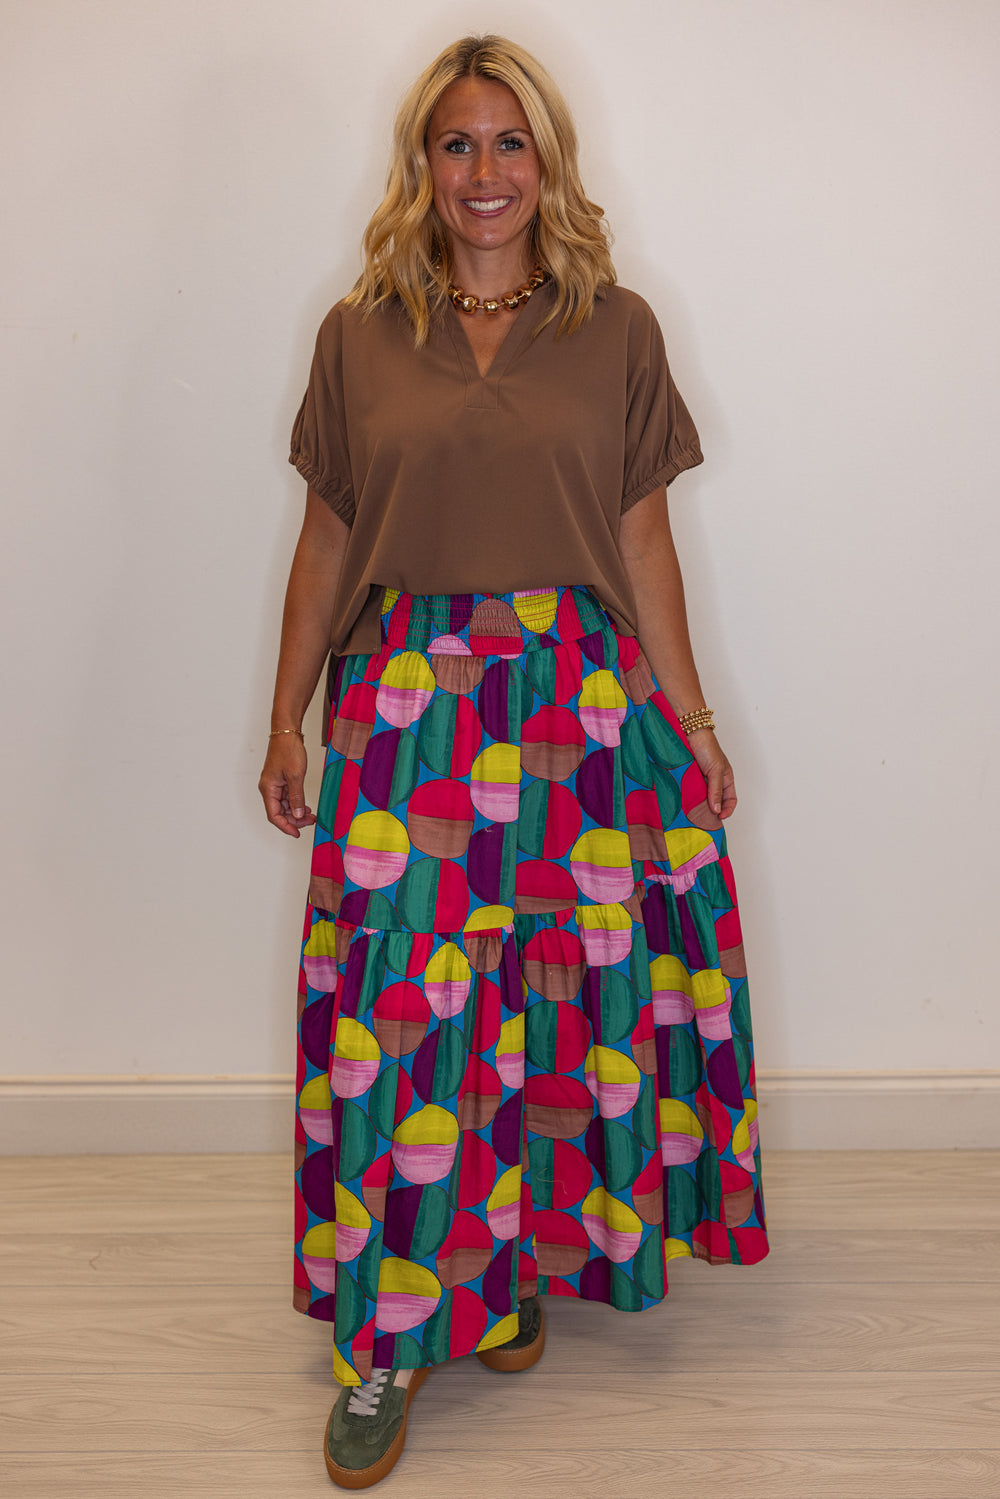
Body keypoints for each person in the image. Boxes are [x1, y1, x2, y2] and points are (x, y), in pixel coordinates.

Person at [259, 33, 769, 1490]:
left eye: (510, 142)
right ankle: (386, 1340)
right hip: (408, 710)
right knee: (400, 1021)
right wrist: (286, 716)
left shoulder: (617, 327)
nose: (484, 171)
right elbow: (329, 539)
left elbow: (642, 541)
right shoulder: (358, 333)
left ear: (550, 161)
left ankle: (506, 1268)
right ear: (420, 164)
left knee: (555, 1004)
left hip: (581, 709)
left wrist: (695, 721)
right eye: (457, 143)